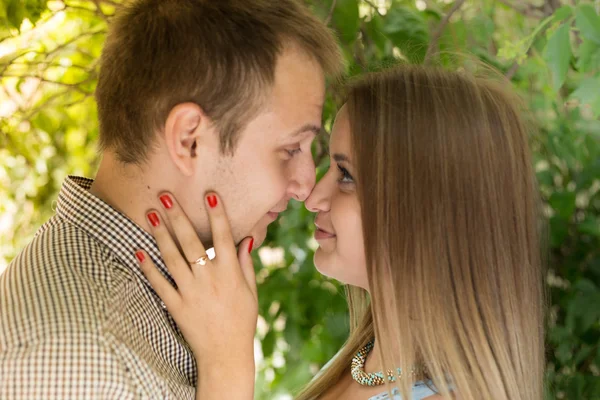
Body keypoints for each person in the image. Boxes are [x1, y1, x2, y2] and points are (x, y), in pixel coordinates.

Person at [139, 65, 546, 400]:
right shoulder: (366, 366)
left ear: (426, 210)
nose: (314, 196)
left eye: (346, 175)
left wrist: (227, 366)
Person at [0, 0, 342, 397]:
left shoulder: (151, 304)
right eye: (290, 149)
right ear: (189, 139)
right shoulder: (77, 363)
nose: (305, 185)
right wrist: (229, 371)